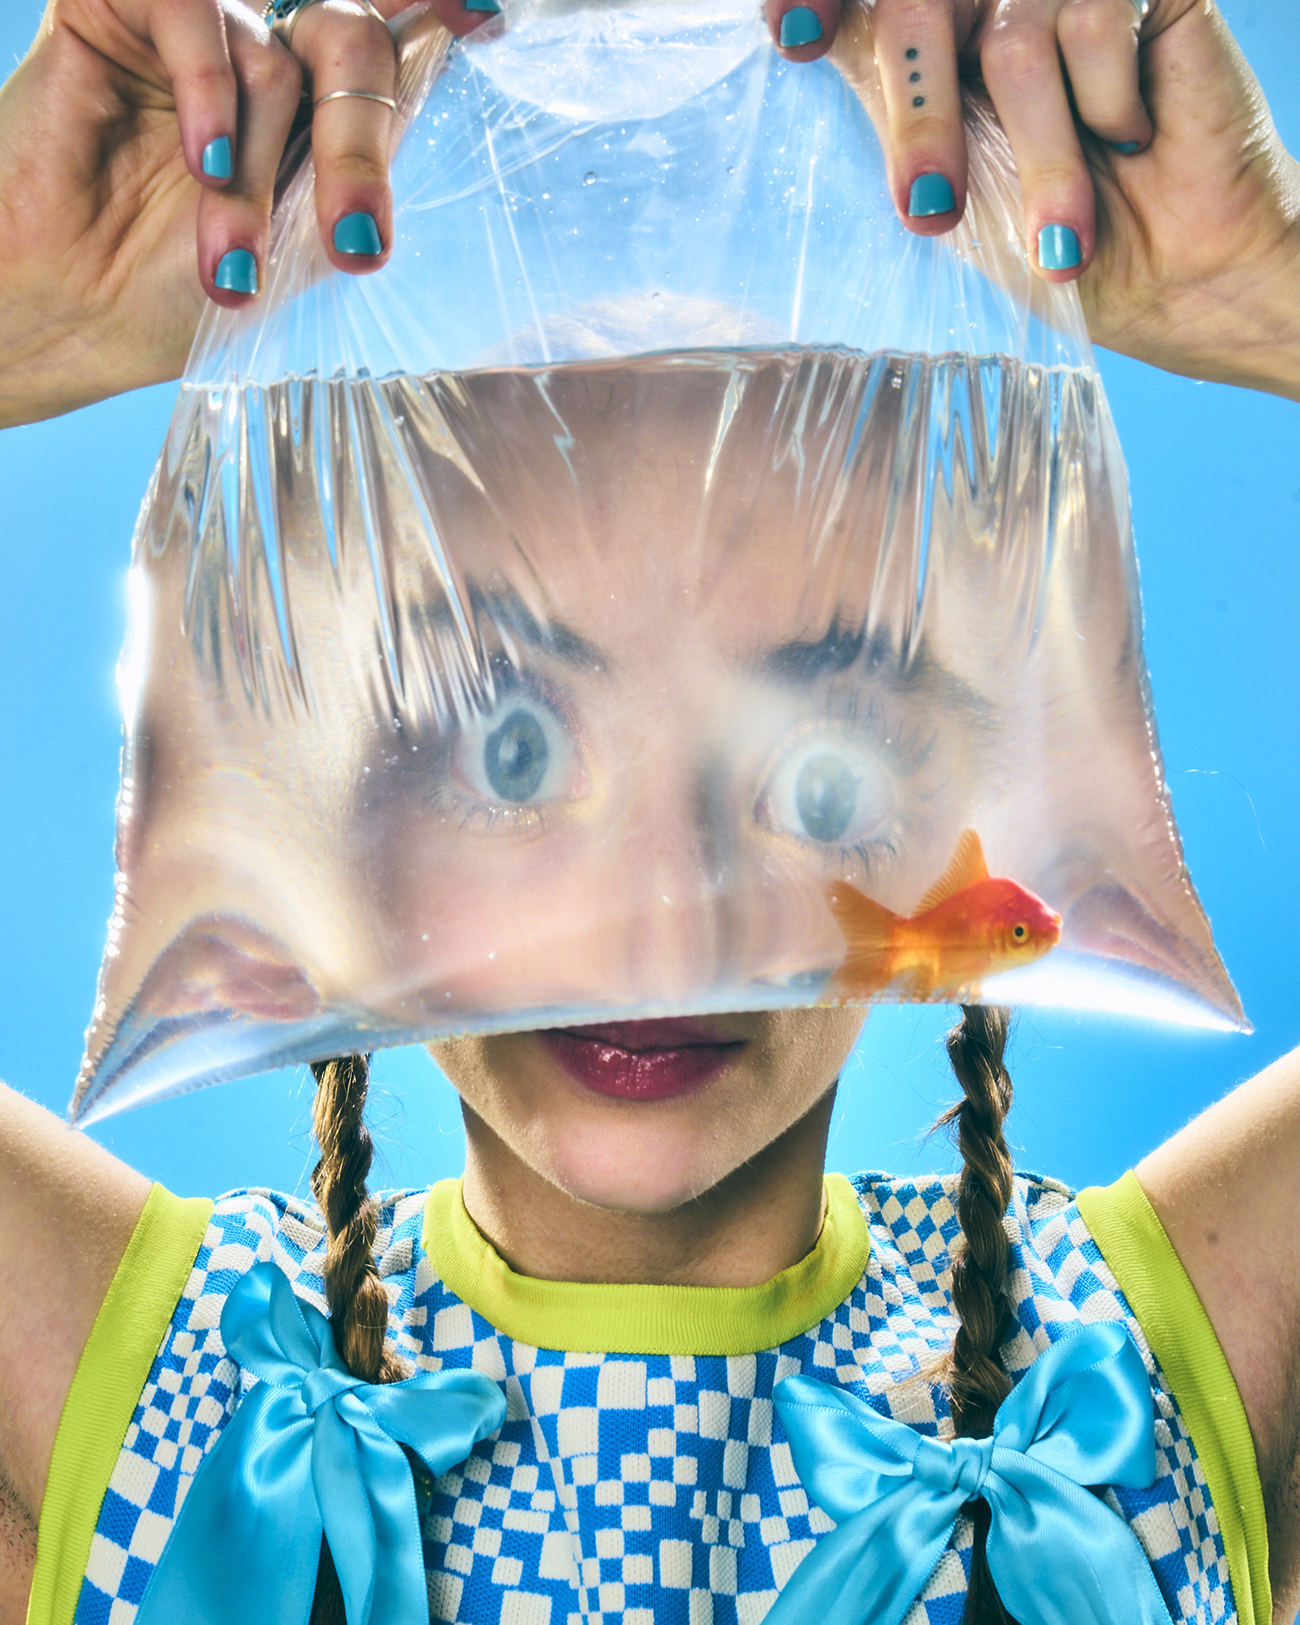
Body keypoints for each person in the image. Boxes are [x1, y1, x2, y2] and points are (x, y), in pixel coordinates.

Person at [0, 2, 1298, 1625]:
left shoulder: (1143, 1372)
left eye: (819, 773)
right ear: (335, 791)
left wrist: (1276, 288)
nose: (667, 910)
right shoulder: (145, 1399)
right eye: (516, 749)